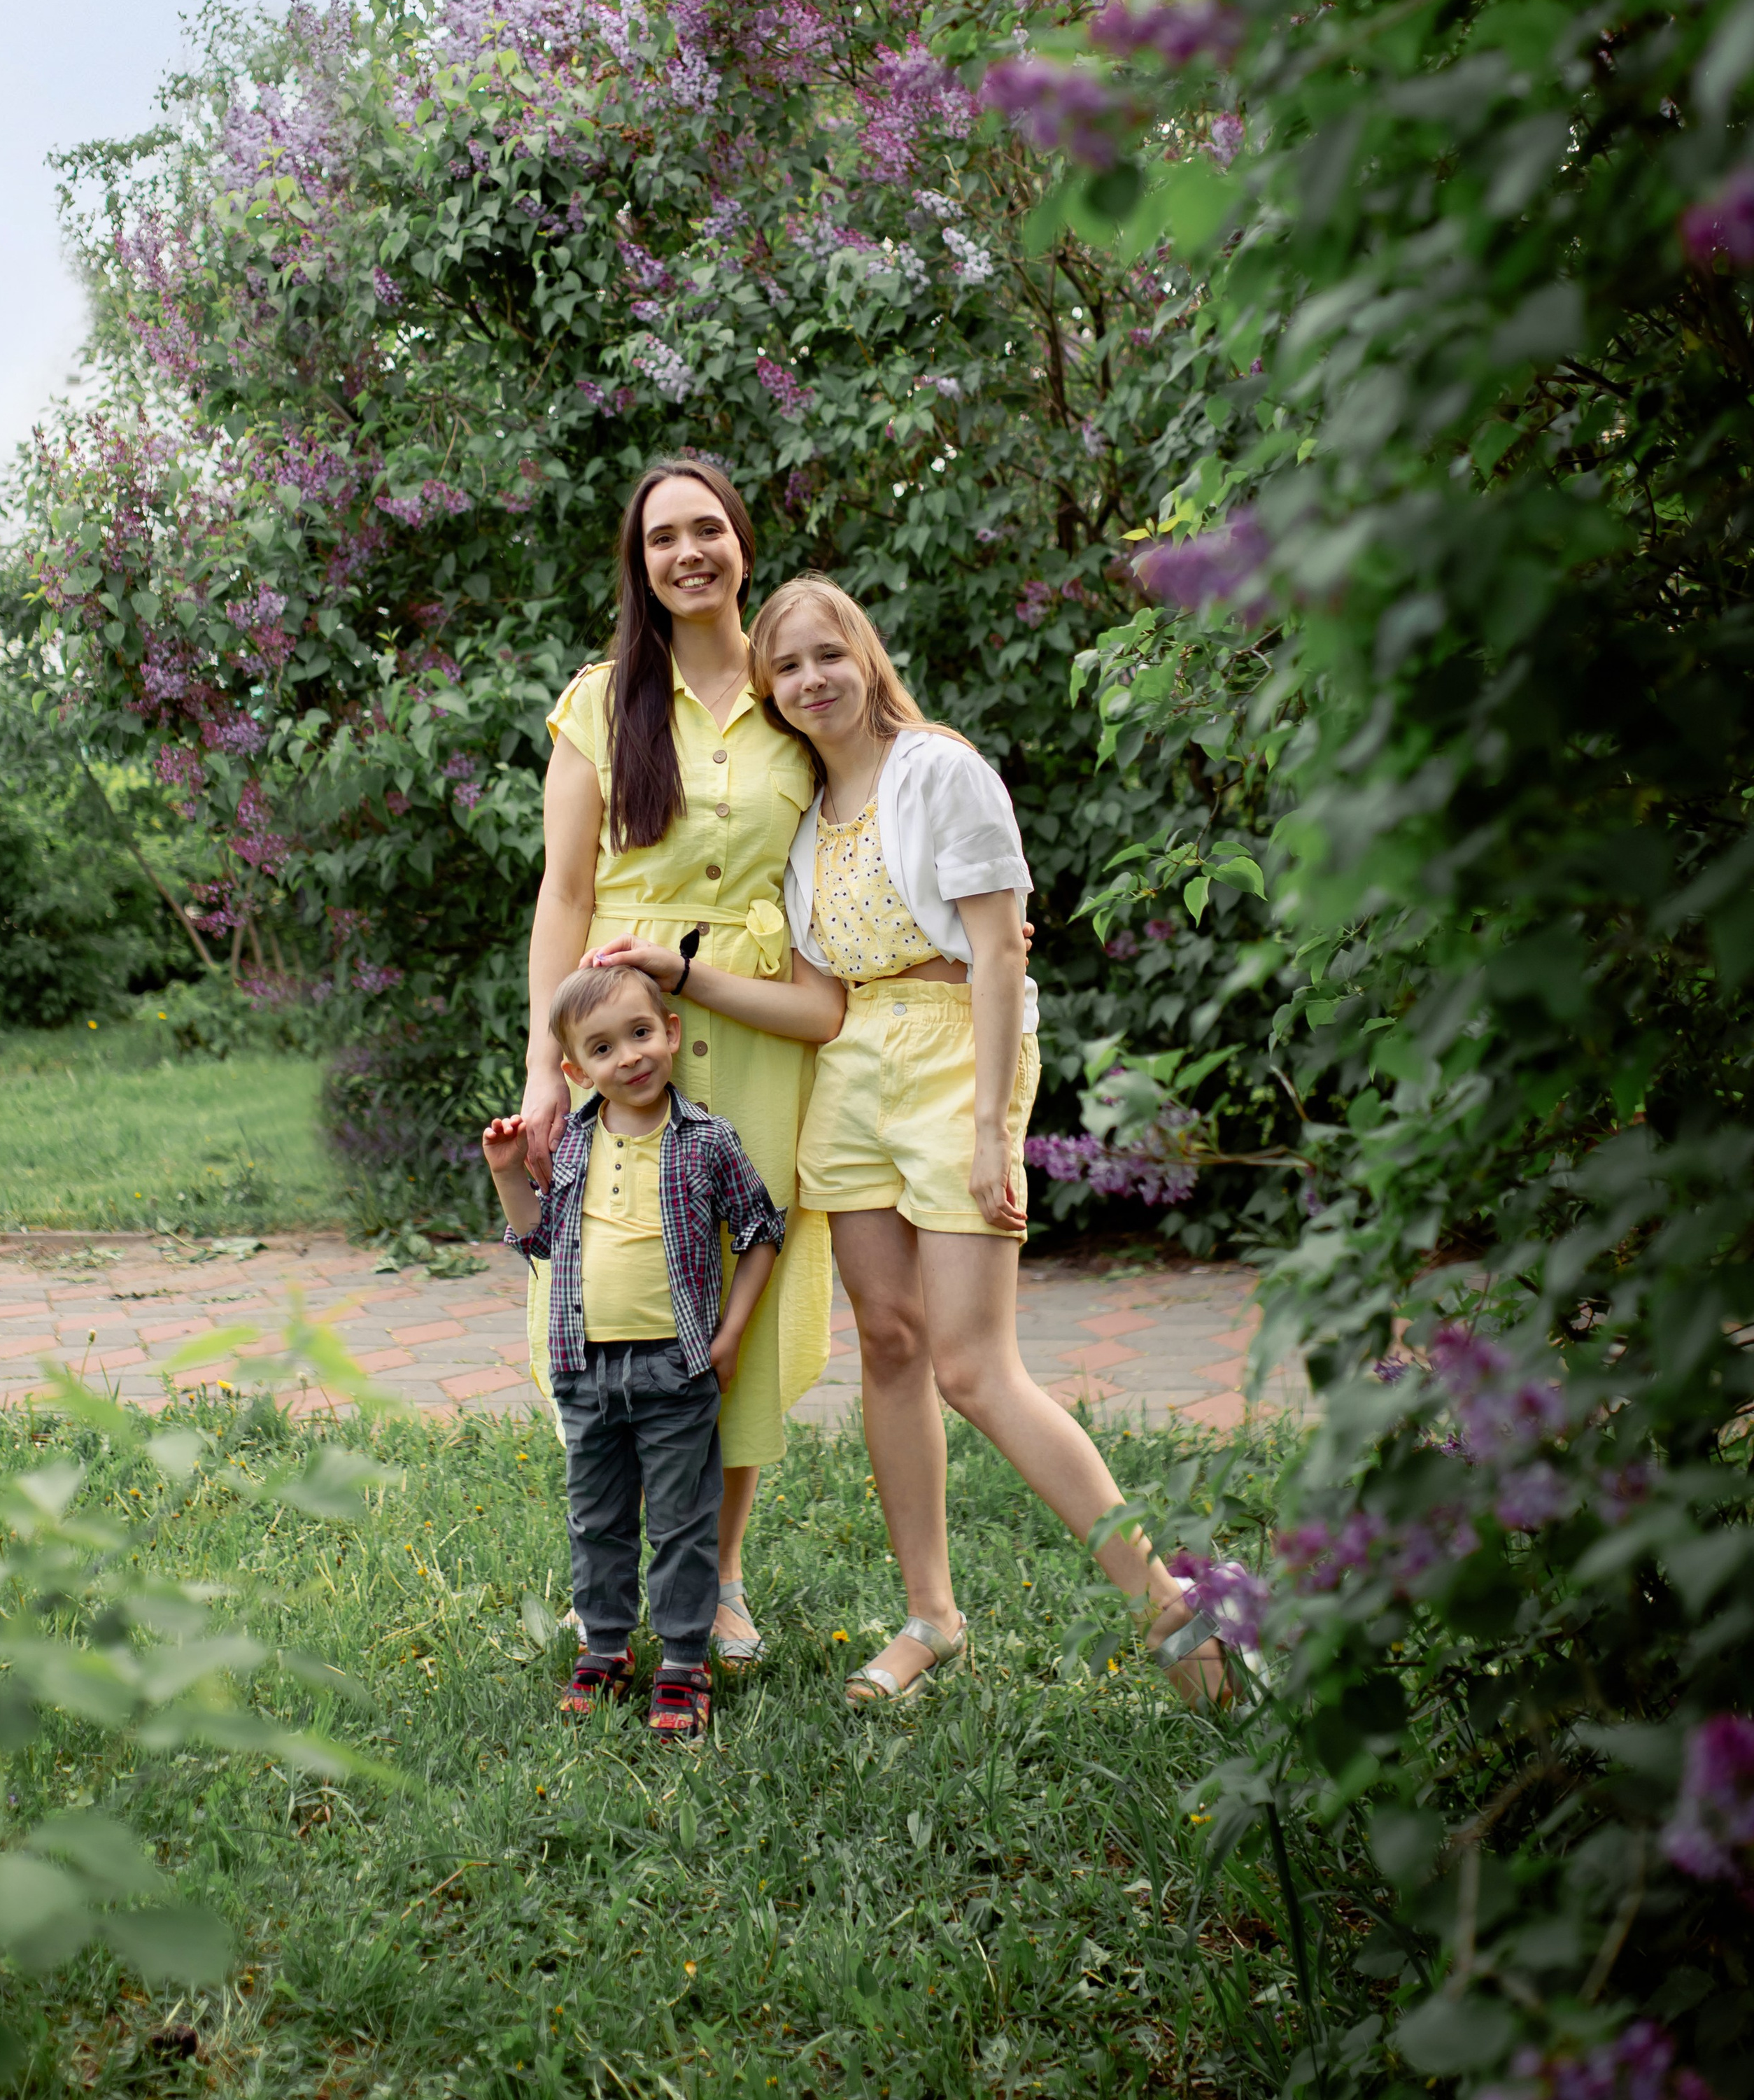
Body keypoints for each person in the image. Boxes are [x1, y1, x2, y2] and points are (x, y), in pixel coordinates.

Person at [745, 574, 1228, 1707]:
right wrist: (671, 975)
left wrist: (990, 1130)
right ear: (769, 690)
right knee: (893, 1342)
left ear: (866, 657)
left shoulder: (942, 770)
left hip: (957, 1047)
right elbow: (820, 995)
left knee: (973, 1363)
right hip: (853, 1065)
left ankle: (1171, 1608)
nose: (812, 677)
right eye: (789, 665)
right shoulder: (808, 822)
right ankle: (931, 1616)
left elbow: (1002, 953)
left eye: (830, 653)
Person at [520, 460, 845, 1668]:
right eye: (664, 536)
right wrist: (546, 1070)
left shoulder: (794, 684)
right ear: (640, 561)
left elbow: (885, 800)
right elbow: (562, 890)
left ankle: (718, 1577)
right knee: (617, 1276)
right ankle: (615, 1565)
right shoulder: (604, 699)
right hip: (619, 1027)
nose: (689, 551)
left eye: (708, 527)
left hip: (753, 1023)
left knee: (734, 1289)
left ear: (743, 542)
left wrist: (982, 907)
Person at [484, 964, 787, 1740]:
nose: (629, 1057)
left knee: (685, 1522)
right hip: (585, 1368)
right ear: (575, 1069)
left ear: (672, 1033)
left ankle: (684, 1659)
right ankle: (607, 1645)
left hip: (675, 1365)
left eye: (641, 1033)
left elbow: (759, 1234)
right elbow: (542, 1240)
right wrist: (506, 1176)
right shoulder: (574, 1143)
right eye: (603, 1047)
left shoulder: (708, 1141)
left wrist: (729, 1336)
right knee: (599, 1518)